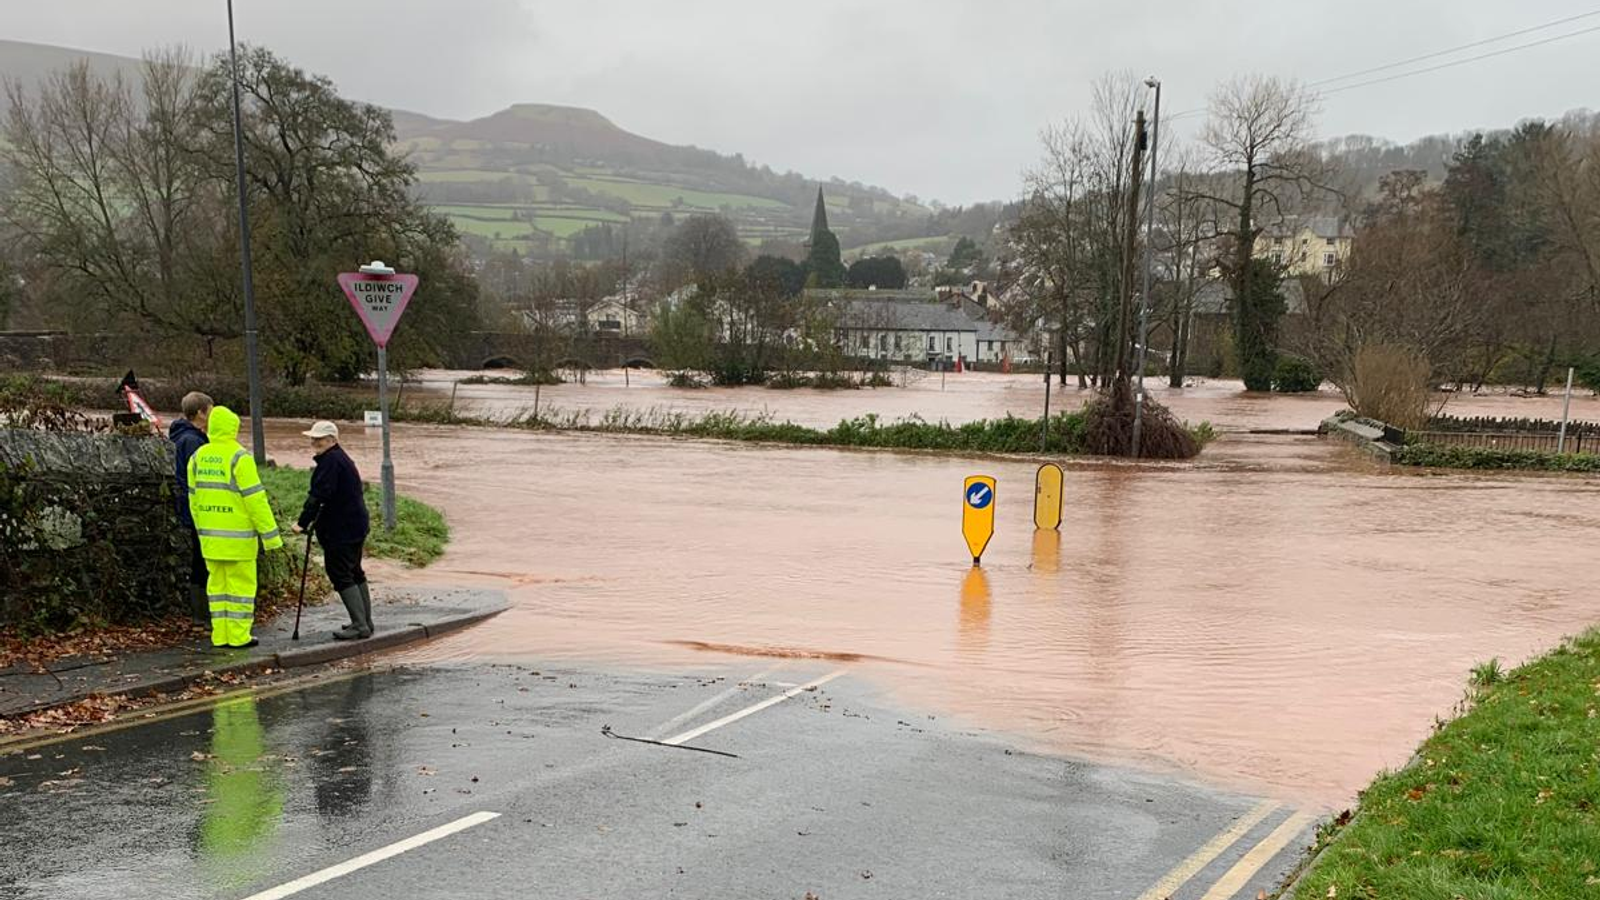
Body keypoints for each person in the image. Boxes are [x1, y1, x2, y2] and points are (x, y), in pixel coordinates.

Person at [187, 406, 283, 649]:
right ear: (233, 428)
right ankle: (239, 637)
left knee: (217, 589)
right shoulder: (240, 458)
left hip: (210, 540)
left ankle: (220, 636)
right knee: (240, 589)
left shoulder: (197, 457)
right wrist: (271, 538)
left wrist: (202, 531)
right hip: (238, 541)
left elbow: (194, 500)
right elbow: (256, 501)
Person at [291, 421, 373, 641]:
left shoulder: (330, 462)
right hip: (356, 524)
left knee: (340, 573)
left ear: (333, 440)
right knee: (355, 570)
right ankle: (365, 621)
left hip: (341, 529)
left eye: (320, 439)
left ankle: (359, 625)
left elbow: (318, 496)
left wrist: (301, 523)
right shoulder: (340, 459)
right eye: (313, 438)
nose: (314, 442)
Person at [168, 392, 213, 625]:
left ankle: (201, 612)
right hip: (197, 508)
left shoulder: (182, 436)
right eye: (210, 411)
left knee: (200, 557)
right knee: (202, 559)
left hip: (189, 506)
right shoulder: (193, 441)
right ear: (200, 413)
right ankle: (202, 614)